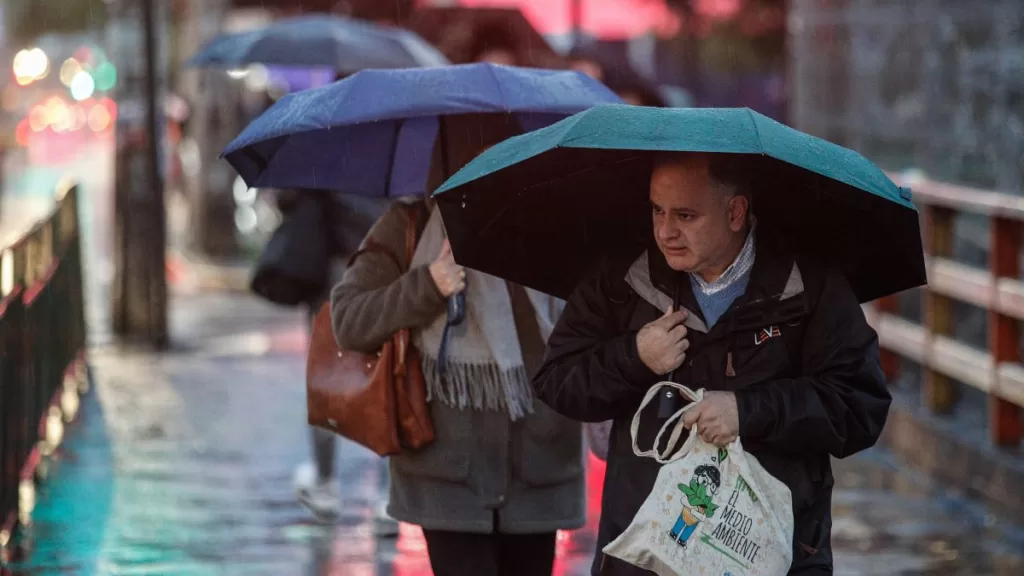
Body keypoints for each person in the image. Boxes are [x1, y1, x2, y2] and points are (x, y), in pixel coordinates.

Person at [532, 152, 892, 575]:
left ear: (735, 211)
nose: (666, 231)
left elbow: (859, 404)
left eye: (686, 215)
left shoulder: (807, 286)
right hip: (644, 554)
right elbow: (556, 379)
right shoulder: (622, 280)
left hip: (771, 552)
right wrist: (634, 356)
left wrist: (748, 411)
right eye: (657, 210)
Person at [328, 115, 585, 576]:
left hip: (542, 469)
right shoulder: (410, 224)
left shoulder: (554, 224)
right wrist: (428, 284)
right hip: (447, 476)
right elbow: (349, 321)